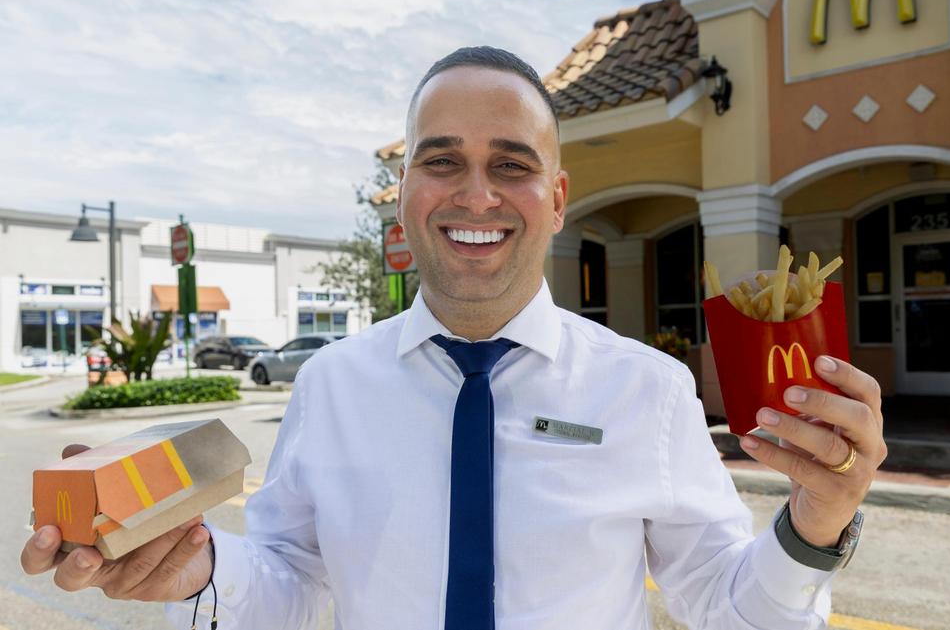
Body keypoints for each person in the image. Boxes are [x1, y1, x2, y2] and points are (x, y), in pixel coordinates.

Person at [21, 47, 887, 630]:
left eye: (511, 164)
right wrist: (199, 571)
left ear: (555, 198)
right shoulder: (331, 384)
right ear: (404, 196)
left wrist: (819, 518)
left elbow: (734, 611)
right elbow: (285, 579)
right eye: (441, 161)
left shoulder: (650, 392)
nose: (477, 195)